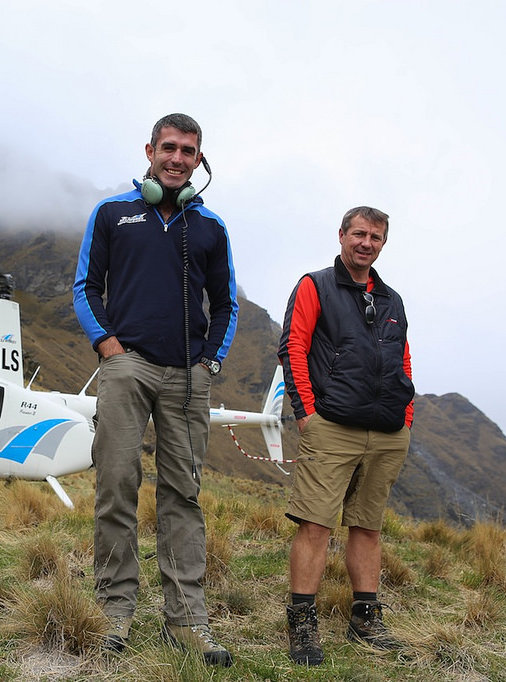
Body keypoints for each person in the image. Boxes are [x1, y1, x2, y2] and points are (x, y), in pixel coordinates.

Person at [72, 113, 238, 667]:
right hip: (128, 366)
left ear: (199, 161)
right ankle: (114, 611)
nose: (177, 158)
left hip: (188, 376)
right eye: (169, 147)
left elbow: (227, 305)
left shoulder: (211, 227)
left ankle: (187, 621)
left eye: (188, 151)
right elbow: (86, 288)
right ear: (150, 151)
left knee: (183, 495)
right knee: (116, 483)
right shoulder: (112, 213)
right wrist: (107, 346)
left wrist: (210, 362)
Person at [277, 206, 415, 666]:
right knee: (316, 525)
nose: (366, 243)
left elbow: (404, 361)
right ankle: (302, 623)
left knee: (368, 527)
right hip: (331, 427)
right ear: (342, 235)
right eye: (359, 234)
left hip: (387, 431)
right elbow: (292, 347)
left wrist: (406, 417)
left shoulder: (392, 300)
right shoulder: (315, 285)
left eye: (375, 237)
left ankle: (365, 618)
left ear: (383, 244)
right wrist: (306, 416)